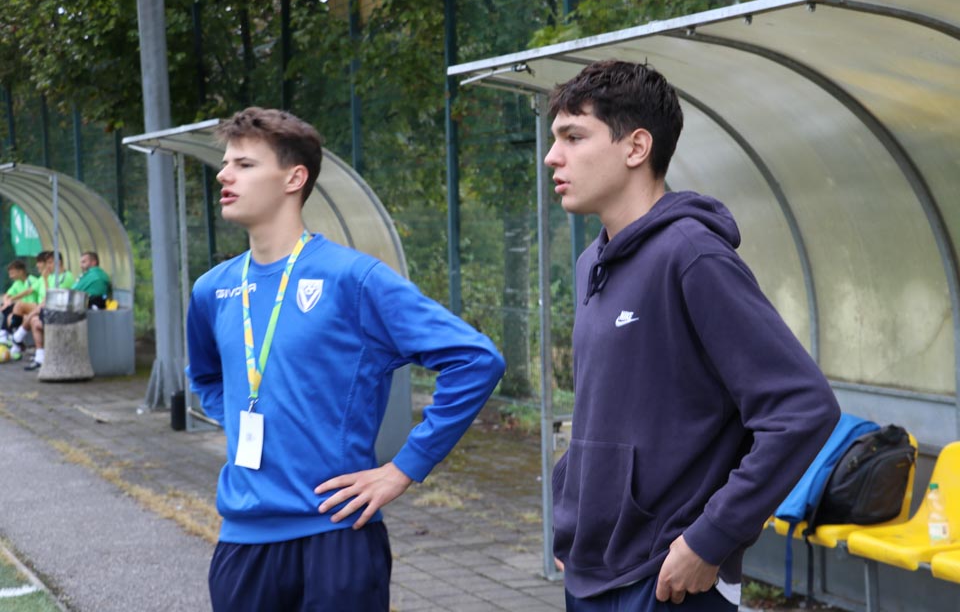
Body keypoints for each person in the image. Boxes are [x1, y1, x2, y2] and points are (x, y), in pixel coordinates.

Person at [545, 60, 840, 611]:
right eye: (554, 138)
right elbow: (600, 409)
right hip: (592, 569)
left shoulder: (692, 256)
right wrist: (575, 514)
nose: (552, 156)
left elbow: (802, 408)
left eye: (573, 137)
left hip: (670, 580)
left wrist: (710, 539)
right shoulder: (592, 264)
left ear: (636, 147)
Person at [185, 107, 505, 612]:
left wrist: (403, 468)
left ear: (294, 178)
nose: (224, 175)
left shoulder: (352, 278)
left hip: (336, 534)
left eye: (244, 165)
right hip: (243, 539)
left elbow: (475, 359)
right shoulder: (212, 289)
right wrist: (250, 419)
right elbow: (205, 375)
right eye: (226, 163)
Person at [9, 251, 75, 370]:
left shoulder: (66, 276)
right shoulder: (51, 276)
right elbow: (45, 298)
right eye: (47, 262)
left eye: (49, 262)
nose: (47, 266)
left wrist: (45, 279)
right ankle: (39, 358)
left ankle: (16, 337)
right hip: (48, 311)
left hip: (62, 315)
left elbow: (52, 298)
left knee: (32, 308)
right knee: (34, 320)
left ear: (58, 262)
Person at [0, 259, 38, 345]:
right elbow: (7, 295)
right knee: (7, 307)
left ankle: (6, 333)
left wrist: (11, 299)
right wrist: (6, 302)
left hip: (32, 308)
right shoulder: (17, 283)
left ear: (21, 271)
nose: (10, 276)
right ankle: (6, 334)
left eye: (12, 273)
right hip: (21, 310)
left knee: (13, 308)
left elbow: (28, 291)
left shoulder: (32, 280)